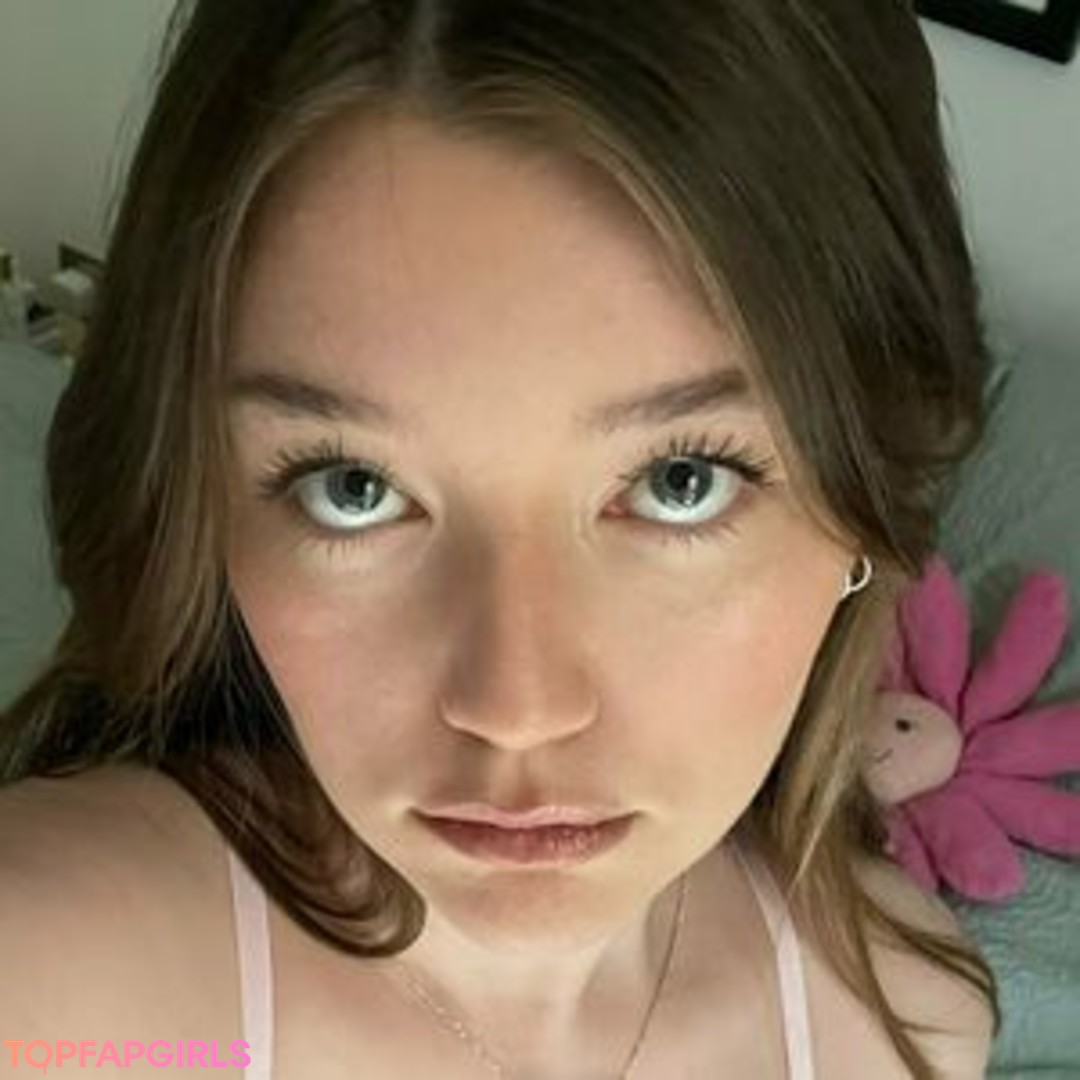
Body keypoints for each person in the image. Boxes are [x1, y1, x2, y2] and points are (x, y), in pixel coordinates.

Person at [0, 1, 1001, 1076]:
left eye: (682, 482)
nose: (517, 710)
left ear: (870, 500)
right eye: (352, 489)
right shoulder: (60, 996)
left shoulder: (906, 1023)